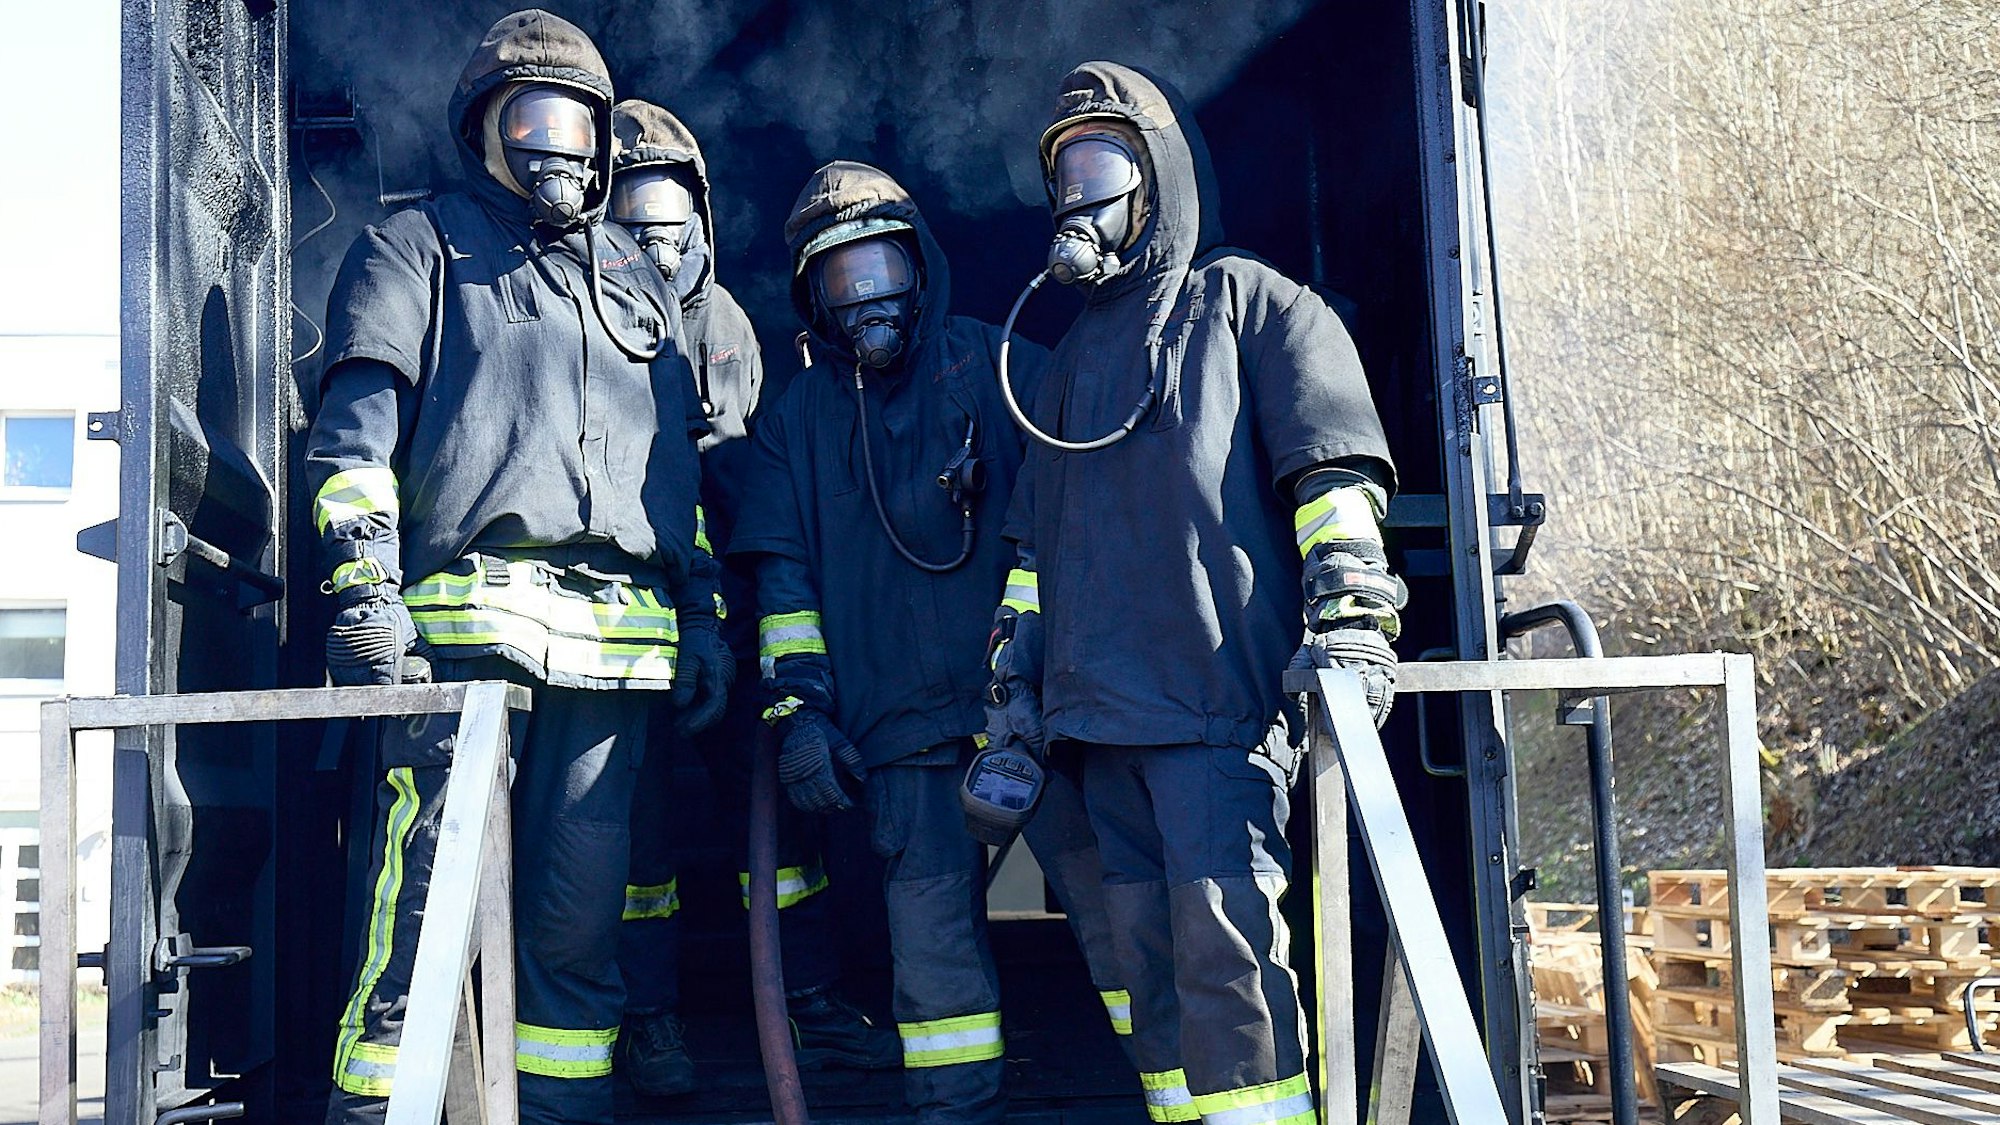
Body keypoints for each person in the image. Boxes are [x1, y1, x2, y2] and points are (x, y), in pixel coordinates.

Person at [305, 12, 726, 1123]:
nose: (557, 147)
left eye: (577, 125)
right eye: (530, 119)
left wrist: (709, 619)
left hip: (615, 669)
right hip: (463, 654)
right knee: (425, 922)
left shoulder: (638, 282)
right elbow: (354, 438)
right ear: (482, 131)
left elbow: (674, 479)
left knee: (574, 937)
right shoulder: (416, 247)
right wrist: (364, 589)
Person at [988, 62, 1404, 1125]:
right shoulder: (1056, 369)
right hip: (1095, 733)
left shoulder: (1249, 307)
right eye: (1062, 176)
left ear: (1157, 180)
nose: (1076, 200)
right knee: (1148, 980)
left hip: (1213, 717)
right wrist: (1012, 692)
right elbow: (1031, 564)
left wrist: (1350, 616)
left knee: (1229, 967)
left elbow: (1329, 474)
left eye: (1101, 169)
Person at [730, 160, 1145, 1124]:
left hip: (1032, 724)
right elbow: (782, 582)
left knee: (1120, 928)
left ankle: (1177, 1100)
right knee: (934, 972)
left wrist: (1044, 678)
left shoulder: (1005, 370)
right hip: (901, 739)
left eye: (881, 268)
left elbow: (1073, 528)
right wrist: (802, 712)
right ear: (814, 299)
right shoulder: (795, 424)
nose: (867, 296)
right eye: (842, 279)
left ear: (921, 268)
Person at [605, 99, 899, 1097]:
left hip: (731, 600)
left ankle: (806, 1000)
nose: (657, 246)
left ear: (699, 220)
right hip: (630, 615)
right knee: (634, 833)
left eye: (671, 226)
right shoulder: (581, 316)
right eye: (635, 228)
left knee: (777, 822)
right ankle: (648, 1021)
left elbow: (756, 469)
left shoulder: (730, 322)